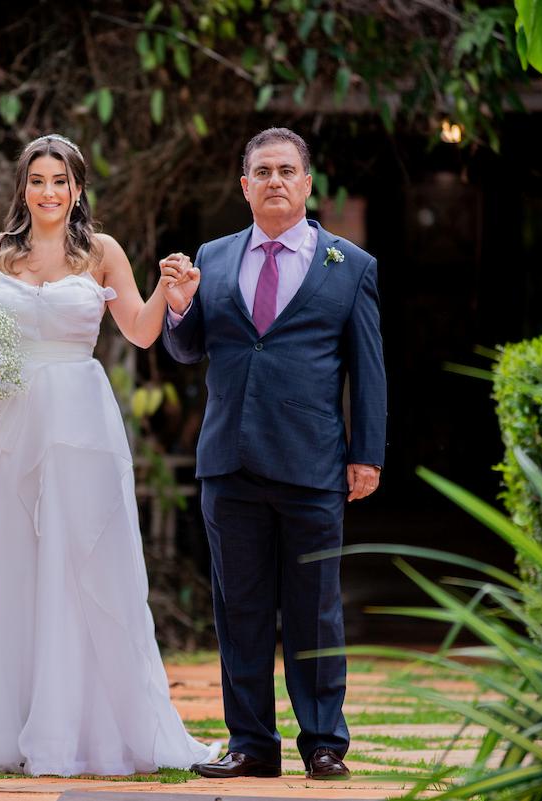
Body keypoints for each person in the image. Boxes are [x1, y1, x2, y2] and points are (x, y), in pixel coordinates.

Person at [0, 134, 217, 777]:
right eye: (38, 180)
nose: (49, 192)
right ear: (23, 187)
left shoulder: (101, 252)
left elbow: (138, 328)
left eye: (61, 181)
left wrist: (167, 290)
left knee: (84, 563)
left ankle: (80, 727)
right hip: (10, 424)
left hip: (79, 419)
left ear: (78, 189)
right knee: (8, 563)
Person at [161, 127, 387, 780]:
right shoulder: (216, 255)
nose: (275, 180)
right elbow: (189, 348)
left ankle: (323, 742)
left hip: (313, 463)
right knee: (241, 611)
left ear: (307, 183)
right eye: (262, 171)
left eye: (287, 170)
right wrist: (179, 310)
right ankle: (252, 743)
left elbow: (367, 370)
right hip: (228, 464)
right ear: (245, 186)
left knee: (316, 607)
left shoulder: (351, 266)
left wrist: (366, 452)